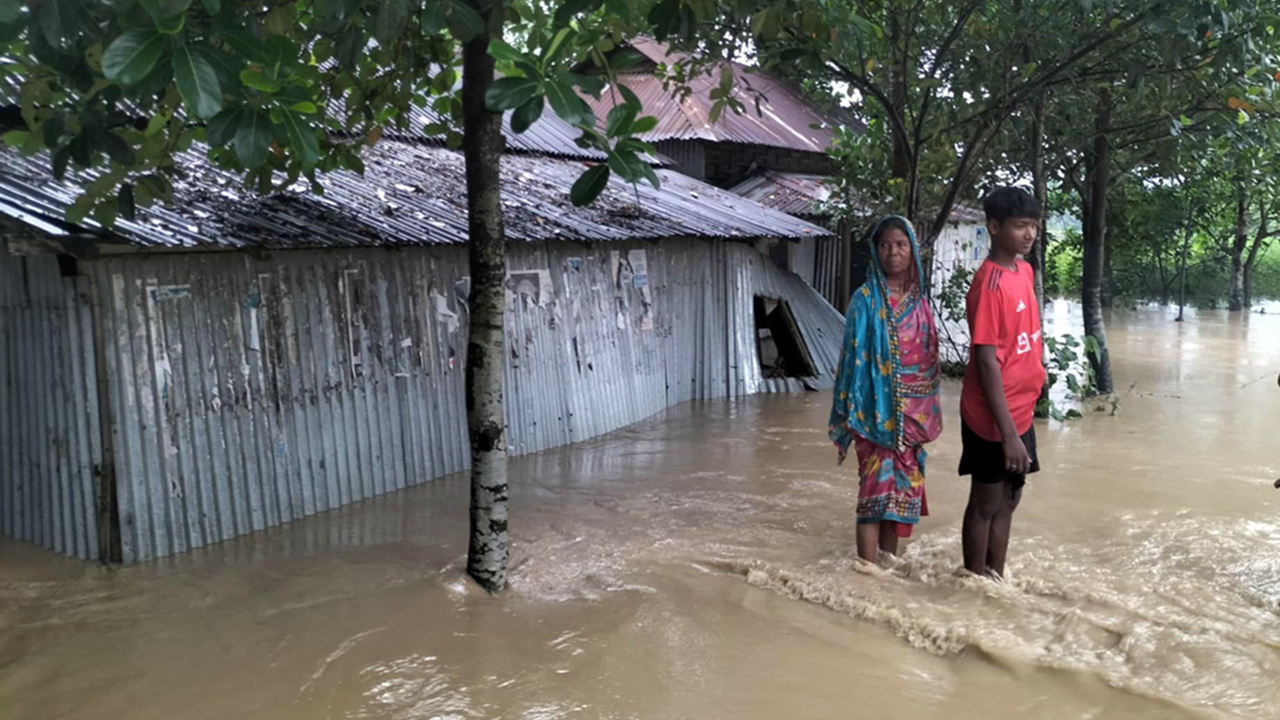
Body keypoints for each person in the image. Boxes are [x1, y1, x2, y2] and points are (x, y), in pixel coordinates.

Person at [830, 216, 943, 563]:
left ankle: (887, 573)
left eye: (900, 245)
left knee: (898, 503)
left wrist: (922, 415)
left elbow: (930, 364)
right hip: (873, 416)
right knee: (873, 499)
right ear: (875, 251)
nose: (892, 252)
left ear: (912, 250)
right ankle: (867, 572)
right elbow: (852, 361)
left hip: (912, 421)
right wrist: (853, 412)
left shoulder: (921, 304)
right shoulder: (864, 301)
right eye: (884, 245)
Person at [958, 187, 1047, 580]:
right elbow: (986, 361)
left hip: (1022, 411)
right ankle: (974, 582)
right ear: (994, 227)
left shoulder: (1023, 271)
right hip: (993, 418)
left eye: (1033, 225)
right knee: (986, 502)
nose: (1029, 234)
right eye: (1020, 226)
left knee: (1010, 499)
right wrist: (1007, 435)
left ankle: (996, 578)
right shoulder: (988, 285)